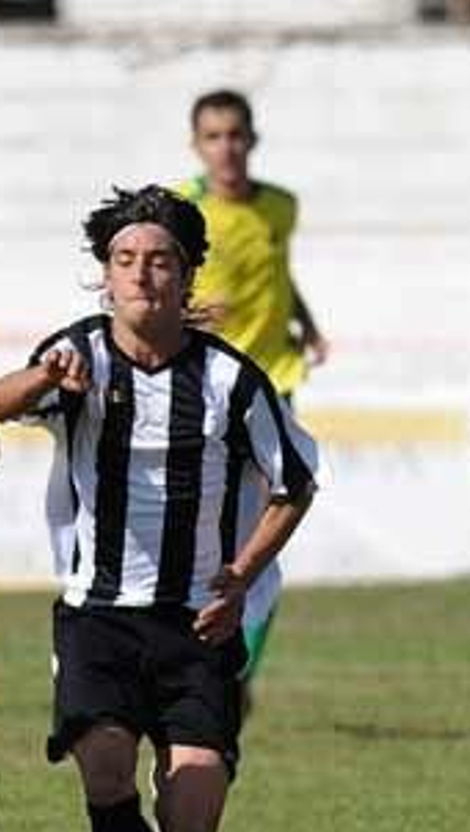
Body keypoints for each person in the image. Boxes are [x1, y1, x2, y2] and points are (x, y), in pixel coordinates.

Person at [0, 186, 320, 832]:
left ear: (187, 272)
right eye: (126, 261)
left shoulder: (230, 381)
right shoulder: (78, 356)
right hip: (96, 613)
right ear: (105, 275)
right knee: (103, 765)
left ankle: (198, 766)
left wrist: (241, 576)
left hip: (194, 623)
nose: (143, 276)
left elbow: (295, 484)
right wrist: (38, 378)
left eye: (161, 260)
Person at [177, 88, 329, 703]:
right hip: (208, 385)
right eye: (213, 136)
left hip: (273, 383)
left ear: (252, 140)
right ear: (197, 146)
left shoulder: (280, 207)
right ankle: (197, 658)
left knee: (270, 528)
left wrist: (307, 321)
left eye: (235, 134)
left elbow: (278, 272)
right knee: (203, 535)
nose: (226, 148)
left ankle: (238, 676)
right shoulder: (181, 207)